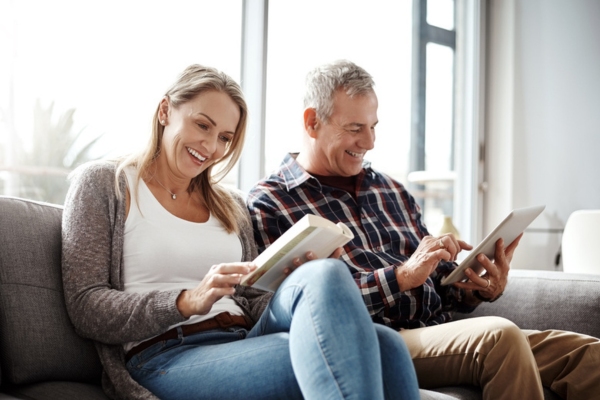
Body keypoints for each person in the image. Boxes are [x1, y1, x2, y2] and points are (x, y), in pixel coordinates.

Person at [61, 64, 421, 400]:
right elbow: (85, 305)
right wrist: (186, 300)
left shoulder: (230, 204)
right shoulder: (104, 184)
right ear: (165, 111)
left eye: (224, 137)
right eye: (202, 126)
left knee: (361, 315)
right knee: (320, 352)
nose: (211, 147)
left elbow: (250, 299)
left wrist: (291, 280)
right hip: (166, 353)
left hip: (244, 335)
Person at [247, 60, 600, 400]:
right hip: (376, 340)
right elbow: (298, 308)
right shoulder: (273, 203)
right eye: (355, 128)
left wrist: (476, 287)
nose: (369, 142)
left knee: (587, 355)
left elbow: (437, 286)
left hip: (437, 330)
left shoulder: (392, 191)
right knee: (499, 337)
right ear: (312, 122)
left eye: (374, 126)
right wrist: (400, 276)